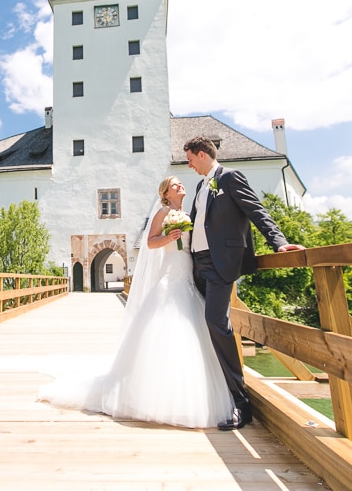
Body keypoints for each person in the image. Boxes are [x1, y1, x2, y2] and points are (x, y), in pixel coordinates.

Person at [39, 176, 233, 428]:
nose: (180, 186)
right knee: (167, 328)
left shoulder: (187, 212)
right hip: (170, 275)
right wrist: (168, 237)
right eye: (175, 185)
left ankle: (181, 389)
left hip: (188, 274)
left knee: (191, 328)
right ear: (165, 193)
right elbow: (151, 242)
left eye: (180, 184)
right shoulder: (164, 211)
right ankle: (152, 396)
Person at [184, 135, 306, 430]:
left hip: (220, 263)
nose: (189, 166)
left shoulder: (229, 178)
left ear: (202, 154)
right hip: (197, 264)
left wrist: (279, 242)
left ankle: (241, 403)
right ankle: (214, 392)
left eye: (189, 160)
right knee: (200, 324)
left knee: (216, 321)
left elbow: (257, 211)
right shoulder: (201, 186)